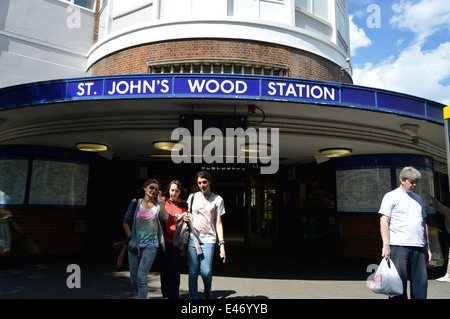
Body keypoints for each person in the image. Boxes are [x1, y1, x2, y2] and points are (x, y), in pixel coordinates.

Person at [378, 166, 432, 299]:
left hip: (418, 246)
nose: (414, 185)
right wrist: (386, 245)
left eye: (415, 182)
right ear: (402, 180)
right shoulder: (391, 196)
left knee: (420, 284)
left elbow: (423, 223)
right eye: (411, 182)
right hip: (399, 246)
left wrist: (428, 246)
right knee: (397, 285)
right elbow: (384, 220)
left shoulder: (418, 198)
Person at [123, 179, 169, 299]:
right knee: (133, 280)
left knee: (141, 278)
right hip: (134, 245)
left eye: (156, 189)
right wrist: (130, 237)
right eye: (151, 188)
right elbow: (125, 222)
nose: (153, 191)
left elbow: (165, 217)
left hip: (151, 245)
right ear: (145, 188)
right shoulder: (135, 202)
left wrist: (160, 201)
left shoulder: (157, 206)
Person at [183, 170, 226, 299]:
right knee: (193, 272)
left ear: (210, 182)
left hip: (209, 239)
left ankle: (207, 290)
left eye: (204, 182)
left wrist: (222, 245)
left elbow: (218, 223)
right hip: (193, 238)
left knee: (206, 271)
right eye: (199, 183)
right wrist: (186, 217)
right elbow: (189, 214)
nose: (202, 185)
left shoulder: (217, 199)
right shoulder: (192, 197)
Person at [160, 180, 188, 299]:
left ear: (180, 192)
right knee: (164, 268)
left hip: (177, 241)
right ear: (168, 190)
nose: (174, 193)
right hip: (164, 240)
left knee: (174, 269)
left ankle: (173, 295)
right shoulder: (163, 200)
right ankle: (165, 293)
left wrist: (187, 217)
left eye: (176, 191)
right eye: (172, 190)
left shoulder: (185, 205)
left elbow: (191, 219)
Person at [423, 190, 450, 282]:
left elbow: (438, 203)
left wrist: (427, 194)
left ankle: (448, 274)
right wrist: (434, 207)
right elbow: (441, 210)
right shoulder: (447, 211)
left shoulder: (448, 211)